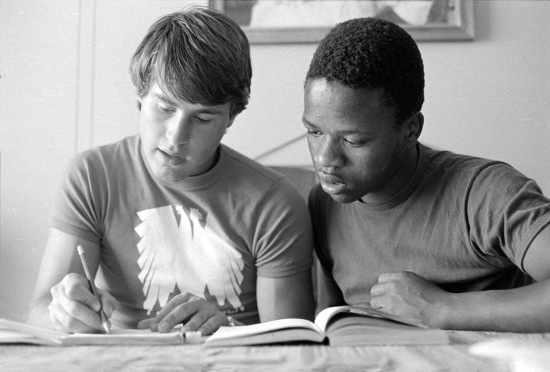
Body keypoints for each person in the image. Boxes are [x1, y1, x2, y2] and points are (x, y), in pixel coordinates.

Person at [28, 6, 314, 335]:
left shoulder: (274, 203)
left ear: (230, 118)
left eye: (203, 118)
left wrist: (227, 328)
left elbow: (293, 343)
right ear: (140, 97)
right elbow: (39, 312)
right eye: (165, 107)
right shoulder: (93, 176)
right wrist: (64, 313)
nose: (176, 137)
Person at [303, 17, 550, 332]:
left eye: (354, 140)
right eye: (313, 131)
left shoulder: (486, 193)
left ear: (410, 130)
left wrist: (444, 309)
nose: (325, 159)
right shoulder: (324, 203)